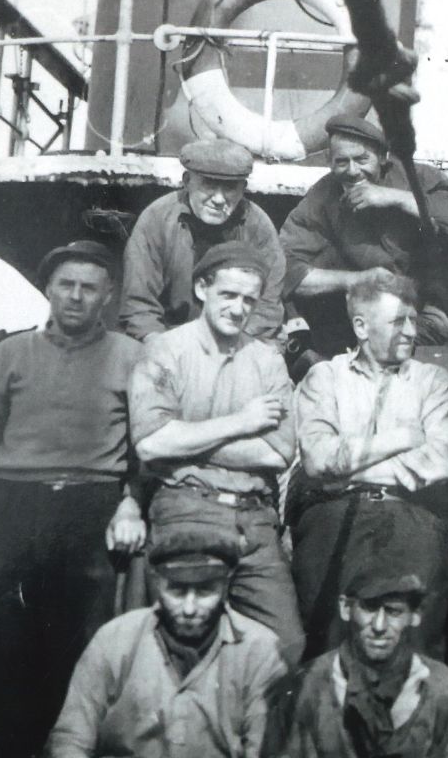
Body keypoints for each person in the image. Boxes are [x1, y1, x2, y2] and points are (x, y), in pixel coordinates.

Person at [0, 240, 145, 758]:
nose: (76, 297)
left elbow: (145, 445)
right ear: (49, 290)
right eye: (66, 286)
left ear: (107, 297)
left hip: (88, 507)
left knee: (76, 647)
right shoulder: (13, 353)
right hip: (13, 508)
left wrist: (131, 502)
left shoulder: (129, 356)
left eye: (89, 288)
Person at [129, 241, 305, 664]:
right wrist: (241, 423)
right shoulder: (166, 350)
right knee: (185, 641)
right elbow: (151, 443)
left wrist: (186, 442)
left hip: (254, 520)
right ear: (202, 288)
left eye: (249, 300)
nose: (239, 308)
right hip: (188, 508)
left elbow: (278, 453)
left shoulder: (266, 361)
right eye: (229, 295)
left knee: (287, 644)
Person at [291, 272, 448, 660]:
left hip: (411, 516)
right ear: (361, 327)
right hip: (334, 518)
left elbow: (439, 463)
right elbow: (316, 461)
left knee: (415, 641)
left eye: (414, 321)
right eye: (399, 321)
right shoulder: (325, 377)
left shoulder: (434, 381)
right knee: (328, 641)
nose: (412, 332)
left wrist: (347, 464)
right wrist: (401, 439)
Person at [47, 505, 286, 758]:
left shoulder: (262, 651)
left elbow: (265, 750)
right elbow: (72, 739)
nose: (190, 607)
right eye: (178, 591)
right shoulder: (114, 640)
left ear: (225, 586)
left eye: (205, 590)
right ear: (158, 583)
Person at [281, 113, 448, 357]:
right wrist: (356, 280)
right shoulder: (323, 196)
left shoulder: (417, 177)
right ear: (329, 161)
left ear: (383, 157)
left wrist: (394, 198)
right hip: (359, 309)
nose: (353, 171)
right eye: (342, 162)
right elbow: (285, 265)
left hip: (421, 309)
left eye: (362, 159)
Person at [273, 562, 448, 758]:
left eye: (393, 611)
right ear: (346, 608)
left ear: (415, 615)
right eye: (369, 607)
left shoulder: (446, 691)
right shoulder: (307, 686)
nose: (379, 626)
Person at [119, 138, 287, 341]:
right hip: (172, 338)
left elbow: (267, 308)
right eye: (208, 185)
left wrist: (225, 353)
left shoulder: (258, 226)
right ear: (187, 181)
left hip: (239, 340)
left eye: (230, 187)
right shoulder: (156, 219)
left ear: (244, 188)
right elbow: (139, 306)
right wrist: (166, 349)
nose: (219, 199)